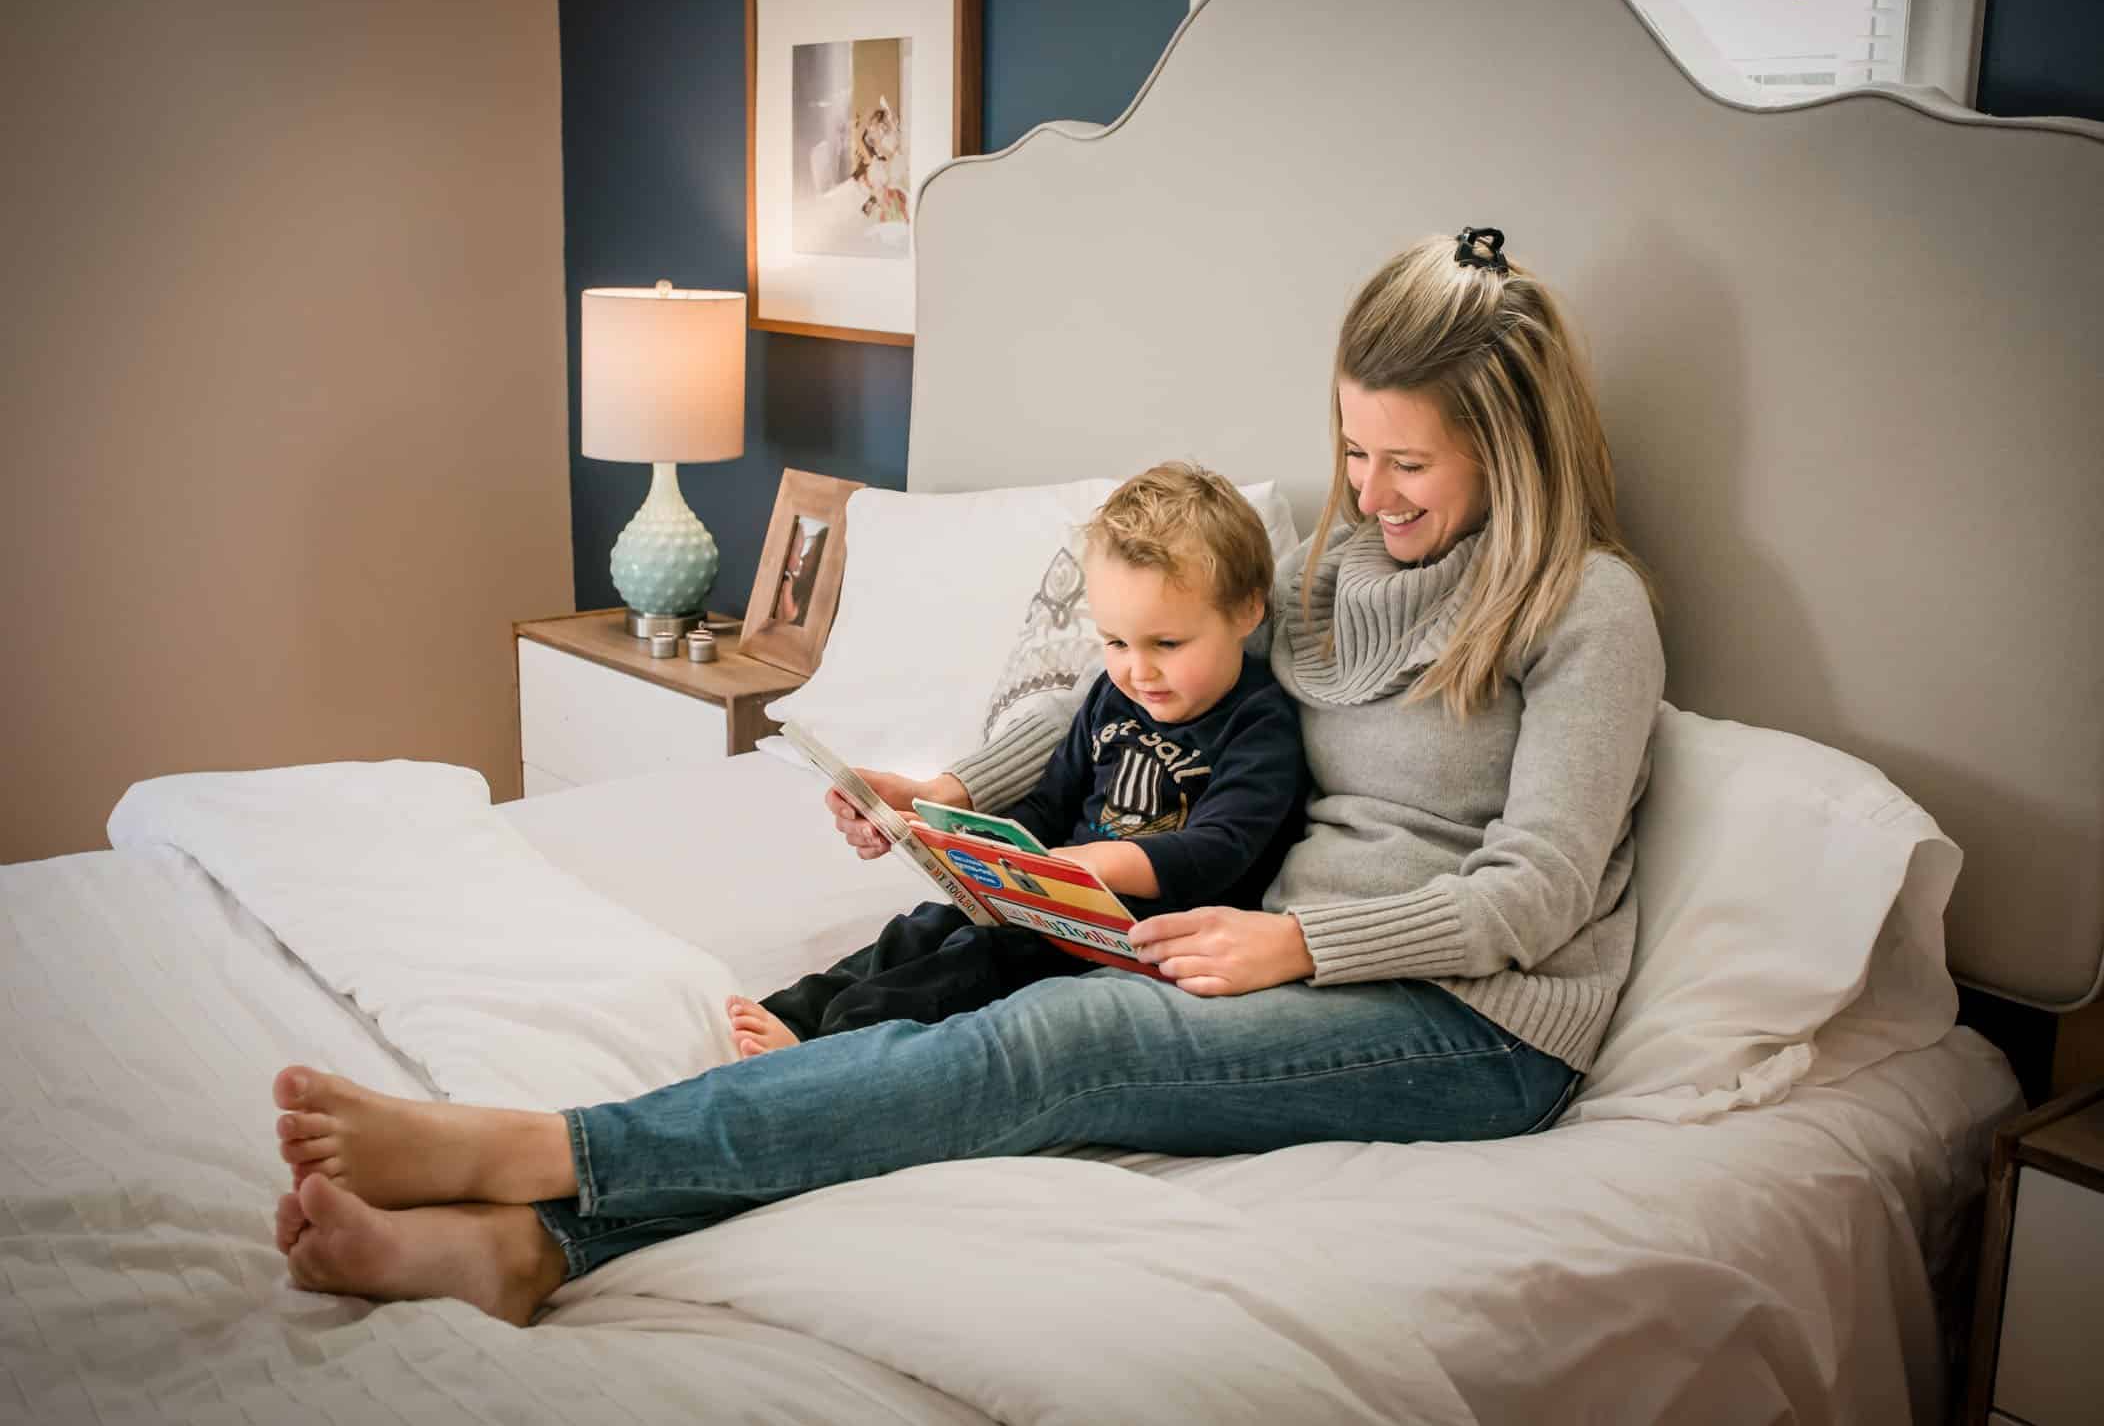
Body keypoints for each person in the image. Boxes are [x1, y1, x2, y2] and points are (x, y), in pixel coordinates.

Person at [267, 226, 1666, 1327]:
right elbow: (1118, 698)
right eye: (1354, 447)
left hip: (1475, 1025)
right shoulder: (1326, 565)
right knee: (973, 1008)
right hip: (1262, 954)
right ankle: (533, 1246)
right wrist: (941, 798)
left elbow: (1536, 890)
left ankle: (536, 1151)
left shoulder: (1588, 607)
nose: (1369, 488)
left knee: (1060, 1042)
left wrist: (1302, 936)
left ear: (1512, 440)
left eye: (1408, 460)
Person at [726, 461, 1305, 1054]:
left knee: (976, 963)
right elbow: (1052, 803)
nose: (1138, 669)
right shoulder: (1111, 697)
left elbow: (1219, 850)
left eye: (1167, 644)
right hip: (1059, 899)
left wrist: (1088, 865)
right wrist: (962, 844)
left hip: (1142, 934)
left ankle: (826, 1046)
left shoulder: (1260, 723)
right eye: (1115, 642)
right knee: (928, 925)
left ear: (1246, 611)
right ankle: (793, 1013)